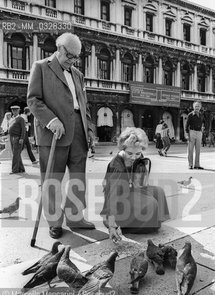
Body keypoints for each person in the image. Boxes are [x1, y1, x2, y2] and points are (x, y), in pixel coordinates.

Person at [27, 32, 95, 239]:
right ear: (59, 49)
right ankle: (54, 221)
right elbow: (33, 100)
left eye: (77, 57)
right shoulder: (40, 67)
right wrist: (51, 120)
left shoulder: (78, 75)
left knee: (78, 177)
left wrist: (89, 129)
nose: (74, 61)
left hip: (78, 131)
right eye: (71, 56)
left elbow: (84, 105)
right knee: (52, 179)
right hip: (53, 131)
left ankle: (75, 217)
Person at [100, 127, 170, 243]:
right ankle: (126, 225)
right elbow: (111, 196)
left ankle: (152, 220)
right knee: (151, 203)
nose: (134, 157)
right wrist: (112, 225)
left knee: (158, 192)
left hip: (130, 190)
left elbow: (140, 181)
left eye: (138, 153)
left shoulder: (137, 157)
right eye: (130, 153)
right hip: (118, 203)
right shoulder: (117, 167)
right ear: (123, 148)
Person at [185, 100, 204, 170]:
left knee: (198, 150)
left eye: (198, 106)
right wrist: (187, 134)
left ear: (200, 107)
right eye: (196, 106)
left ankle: (197, 164)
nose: (197, 107)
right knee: (190, 149)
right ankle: (190, 164)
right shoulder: (190, 114)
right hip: (192, 132)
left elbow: (203, 123)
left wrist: (202, 130)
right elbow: (186, 125)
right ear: (193, 107)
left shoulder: (202, 115)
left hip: (199, 133)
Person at [8, 105, 26, 174]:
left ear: (18, 111)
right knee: (16, 154)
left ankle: (14, 170)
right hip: (11, 138)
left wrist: (21, 138)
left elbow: (23, 130)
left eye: (16, 110)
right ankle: (21, 169)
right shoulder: (12, 118)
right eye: (13, 110)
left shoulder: (21, 119)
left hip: (17, 138)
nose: (14, 111)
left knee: (15, 154)